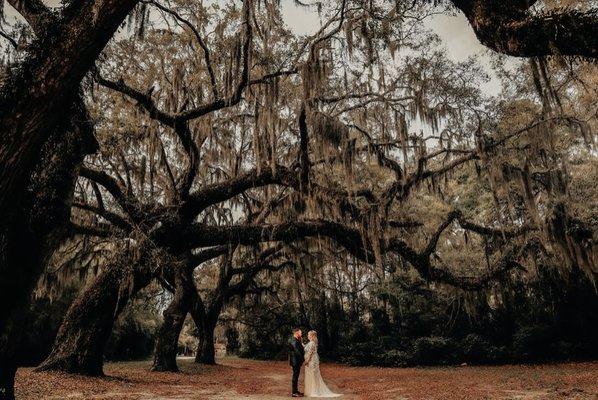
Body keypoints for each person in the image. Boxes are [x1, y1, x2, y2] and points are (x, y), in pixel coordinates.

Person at [303, 330, 342, 397]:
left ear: (312, 336)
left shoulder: (312, 343)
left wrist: (307, 361)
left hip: (312, 361)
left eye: (308, 334)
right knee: (312, 375)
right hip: (312, 360)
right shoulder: (311, 343)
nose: (307, 336)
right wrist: (301, 342)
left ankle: (314, 390)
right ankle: (312, 390)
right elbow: (305, 347)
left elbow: (310, 353)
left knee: (313, 375)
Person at [288, 328, 305, 397]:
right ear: (296, 332)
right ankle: (294, 393)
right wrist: (303, 359)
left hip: (296, 361)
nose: (301, 334)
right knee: (295, 376)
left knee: (296, 376)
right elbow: (297, 352)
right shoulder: (293, 340)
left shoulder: (296, 340)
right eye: (300, 332)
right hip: (295, 361)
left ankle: (296, 391)